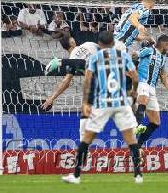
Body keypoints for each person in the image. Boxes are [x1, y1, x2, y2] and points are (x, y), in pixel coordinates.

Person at [61, 31, 142, 184]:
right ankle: (138, 175)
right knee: (130, 138)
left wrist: (87, 102)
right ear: (112, 42)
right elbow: (135, 77)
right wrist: (134, 93)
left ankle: (76, 175)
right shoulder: (123, 56)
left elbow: (88, 80)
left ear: (99, 44)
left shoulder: (95, 58)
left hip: (103, 102)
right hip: (121, 102)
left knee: (86, 139)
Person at [134, 35, 168, 147]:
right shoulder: (149, 50)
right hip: (142, 82)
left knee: (156, 122)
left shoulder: (163, 58)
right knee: (143, 99)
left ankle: (138, 145)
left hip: (152, 88)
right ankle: (136, 126)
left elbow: (163, 76)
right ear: (164, 44)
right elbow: (134, 55)